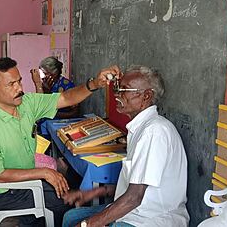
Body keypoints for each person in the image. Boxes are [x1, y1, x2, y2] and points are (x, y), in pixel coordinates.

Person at [0, 57, 120, 227]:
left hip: (25, 178)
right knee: (66, 201)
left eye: (19, 81)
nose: (19, 88)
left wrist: (94, 84)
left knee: (66, 187)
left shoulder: (26, 103)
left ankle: (35, 219)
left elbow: (66, 98)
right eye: (11, 84)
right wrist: (44, 172)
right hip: (6, 191)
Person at [62, 65, 189, 227]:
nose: (117, 94)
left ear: (146, 96)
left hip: (151, 219)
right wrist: (94, 192)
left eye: (125, 90)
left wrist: (89, 224)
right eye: (118, 88)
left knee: (84, 223)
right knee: (71, 218)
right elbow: (134, 184)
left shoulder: (154, 132)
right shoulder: (140, 129)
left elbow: (134, 197)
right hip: (134, 212)